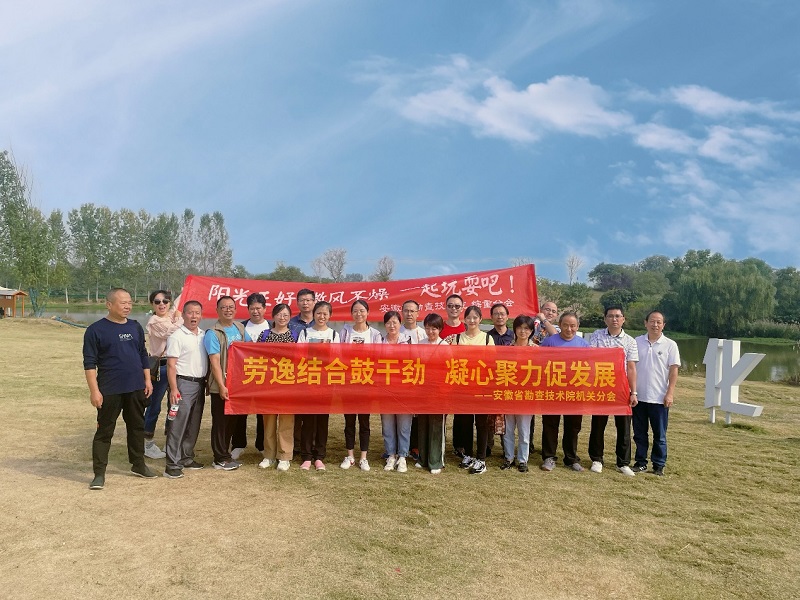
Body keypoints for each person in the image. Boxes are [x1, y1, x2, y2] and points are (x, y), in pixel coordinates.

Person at [83, 288, 155, 490]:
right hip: (110, 389)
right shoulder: (95, 330)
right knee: (104, 431)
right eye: (123, 303)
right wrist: (94, 391)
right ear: (109, 305)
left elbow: (143, 354)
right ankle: (99, 474)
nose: (127, 306)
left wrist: (147, 380)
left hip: (135, 387)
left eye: (130, 302)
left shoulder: (135, 326)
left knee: (137, 427)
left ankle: (138, 465)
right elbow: (89, 363)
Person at [587, 305, 639, 477]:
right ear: (605, 319)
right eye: (610, 316)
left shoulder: (630, 341)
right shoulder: (597, 335)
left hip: (622, 388)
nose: (614, 319)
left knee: (624, 427)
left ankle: (623, 462)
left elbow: (631, 368)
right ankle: (596, 459)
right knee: (598, 424)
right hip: (601, 385)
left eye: (618, 316)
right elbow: (591, 359)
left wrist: (633, 392)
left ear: (623, 319)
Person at [204, 295, 250, 471]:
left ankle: (225, 454)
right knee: (221, 422)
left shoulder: (240, 328)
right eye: (224, 307)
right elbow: (214, 362)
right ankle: (219, 458)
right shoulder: (213, 333)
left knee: (232, 421)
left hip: (238, 384)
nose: (228, 310)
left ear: (236, 310)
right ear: (217, 311)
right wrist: (222, 385)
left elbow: (251, 350)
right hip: (221, 385)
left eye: (231, 307)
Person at [163, 300, 208, 479]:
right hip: (182, 384)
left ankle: (186, 457)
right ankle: (172, 464)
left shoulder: (204, 335)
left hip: (200, 383)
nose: (194, 316)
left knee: (193, 423)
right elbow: (171, 365)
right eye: (190, 312)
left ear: (201, 315)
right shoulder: (177, 336)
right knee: (177, 424)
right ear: (183, 315)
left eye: (197, 313)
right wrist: (174, 388)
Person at [540, 311, 589, 472]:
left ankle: (571, 458)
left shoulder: (583, 345)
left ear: (578, 326)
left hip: (575, 391)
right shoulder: (549, 342)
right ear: (559, 325)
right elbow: (539, 364)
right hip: (553, 390)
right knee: (550, 425)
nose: (569, 329)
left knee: (573, 426)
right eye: (565, 325)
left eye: (572, 325)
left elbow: (589, 368)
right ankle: (549, 457)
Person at [633, 311, 680, 477]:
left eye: (659, 322)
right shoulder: (636, 342)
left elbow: (673, 371)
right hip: (638, 396)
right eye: (652, 321)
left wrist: (670, 393)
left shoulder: (670, 345)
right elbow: (630, 367)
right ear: (645, 323)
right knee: (639, 433)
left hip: (659, 398)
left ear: (663, 325)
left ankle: (659, 464)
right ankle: (640, 462)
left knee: (659, 435)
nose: (655, 325)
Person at [339, 299, 382, 472]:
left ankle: (363, 457)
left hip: (366, 383)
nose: (359, 314)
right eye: (355, 311)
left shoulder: (375, 334)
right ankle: (350, 455)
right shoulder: (345, 331)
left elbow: (379, 358)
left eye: (362, 310)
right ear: (351, 314)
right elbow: (339, 354)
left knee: (364, 421)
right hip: (348, 383)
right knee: (349, 421)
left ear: (368, 313)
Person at [256, 303, 298, 472]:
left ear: (290, 317)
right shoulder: (265, 335)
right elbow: (256, 356)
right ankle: (269, 455)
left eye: (286, 315)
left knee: (286, 421)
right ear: (273, 316)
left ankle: (284, 456)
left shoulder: (295, 335)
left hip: (288, 383)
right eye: (279, 314)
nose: (282, 318)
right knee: (269, 420)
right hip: (268, 384)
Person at [297, 301, 338, 471]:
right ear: (313, 314)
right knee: (307, 420)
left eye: (325, 313)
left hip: (326, 383)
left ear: (330, 316)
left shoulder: (334, 334)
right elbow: (299, 356)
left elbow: (337, 358)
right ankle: (306, 456)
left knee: (322, 420)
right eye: (319, 313)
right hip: (308, 382)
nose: (322, 316)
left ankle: (319, 456)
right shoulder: (305, 333)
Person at [230, 293, 271, 461]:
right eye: (252, 308)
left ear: (265, 309)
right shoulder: (240, 327)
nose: (255, 311)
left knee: (264, 412)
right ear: (248, 309)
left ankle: (262, 445)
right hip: (244, 375)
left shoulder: (273, 326)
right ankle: (238, 444)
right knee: (240, 411)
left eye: (258, 308)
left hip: (266, 376)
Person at [455, 306, 495, 475]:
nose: (472, 320)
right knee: (465, 422)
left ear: (480, 319)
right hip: (463, 386)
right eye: (469, 317)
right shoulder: (457, 338)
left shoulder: (487, 339)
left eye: (475, 317)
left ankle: (481, 459)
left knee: (481, 423)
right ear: (464, 319)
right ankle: (469, 455)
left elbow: (492, 363)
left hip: (481, 386)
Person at [144, 290, 183, 459]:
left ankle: (170, 441)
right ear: (152, 304)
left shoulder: (172, 315)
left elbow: (181, 301)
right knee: (154, 405)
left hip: (176, 365)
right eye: (157, 301)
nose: (162, 304)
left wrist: (187, 290)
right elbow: (171, 332)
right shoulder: (154, 321)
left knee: (174, 404)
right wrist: (180, 318)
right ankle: (147, 442)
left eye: (165, 301)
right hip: (161, 367)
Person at [501, 314, 537, 473]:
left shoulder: (536, 350)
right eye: (520, 328)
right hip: (509, 394)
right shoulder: (507, 348)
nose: (523, 331)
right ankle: (508, 457)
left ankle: (522, 459)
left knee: (524, 430)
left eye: (527, 328)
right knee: (508, 430)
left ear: (531, 331)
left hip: (526, 396)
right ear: (515, 329)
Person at [380, 311, 412, 473]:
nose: (392, 326)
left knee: (404, 424)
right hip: (385, 389)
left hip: (404, 389)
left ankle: (403, 456)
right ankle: (391, 454)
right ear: (384, 325)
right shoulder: (379, 341)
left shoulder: (408, 341)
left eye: (395, 322)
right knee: (387, 424)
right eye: (388, 323)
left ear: (400, 324)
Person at [417, 313, 448, 474]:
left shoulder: (444, 346)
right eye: (428, 328)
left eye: (434, 328)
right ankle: (423, 458)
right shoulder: (420, 344)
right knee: (423, 424)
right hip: (423, 391)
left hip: (438, 392)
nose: (430, 331)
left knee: (436, 426)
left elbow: (449, 370)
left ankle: (436, 461)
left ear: (440, 329)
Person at [288, 288, 316, 454]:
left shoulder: (320, 322)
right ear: (297, 303)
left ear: (314, 302)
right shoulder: (290, 323)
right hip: (295, 373)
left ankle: (312, 443)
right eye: (302, 300)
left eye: (308, 300)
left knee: (313, 409)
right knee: (296, 411)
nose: (305, 303)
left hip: (316, 374)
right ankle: (297, 444)